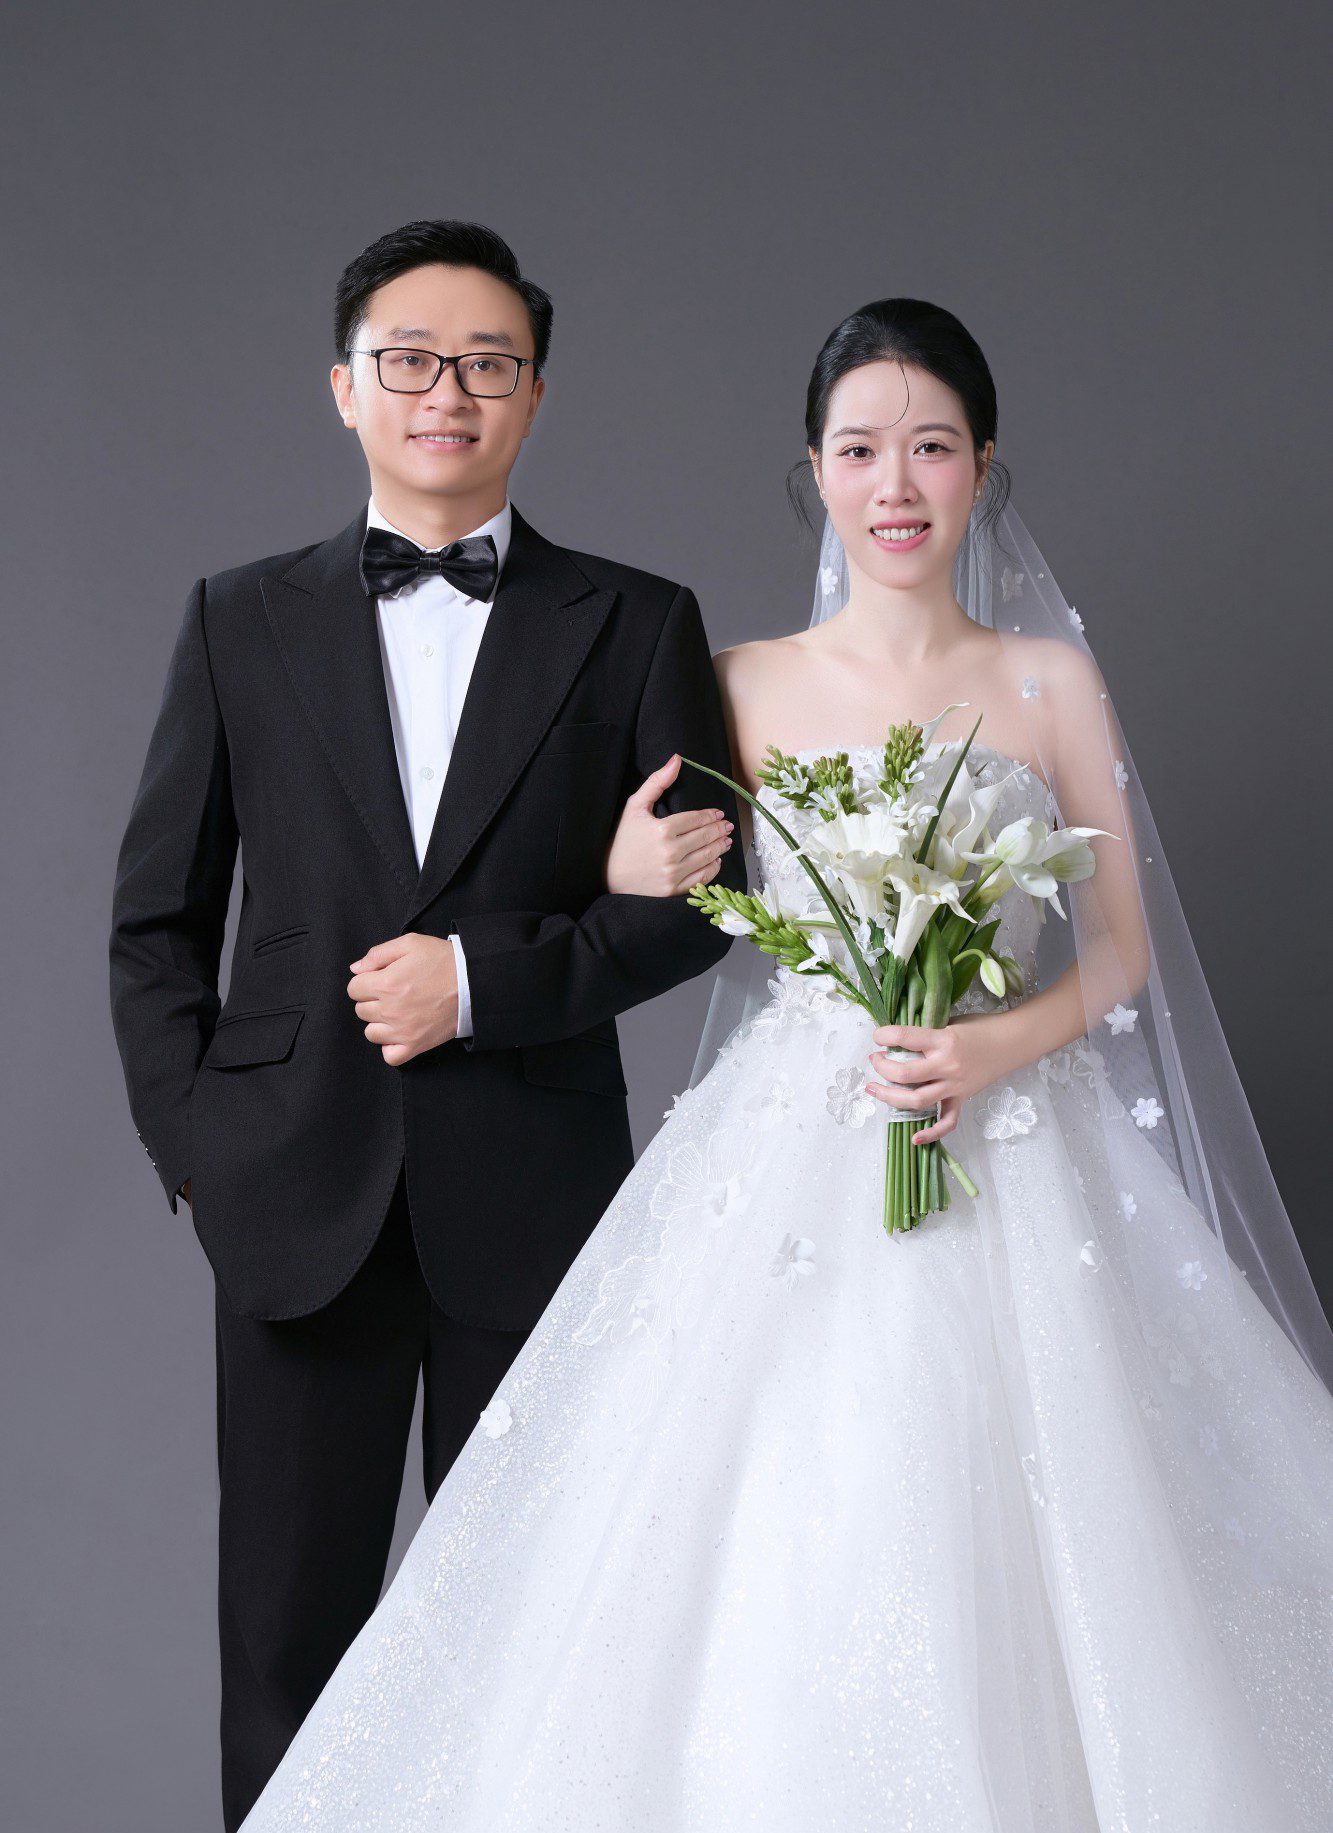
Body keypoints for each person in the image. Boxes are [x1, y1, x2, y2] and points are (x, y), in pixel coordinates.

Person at [236, 299, 1333, 1832]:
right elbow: (636, 896)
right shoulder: (735, 680)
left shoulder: (1046, 683)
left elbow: (1118, 953)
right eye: (859, 449)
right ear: (812, 472)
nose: (895, 483)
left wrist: (983, 1042)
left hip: (1012, 1130)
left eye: (930, 447)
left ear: (982, 465)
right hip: (792, 1137)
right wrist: (621, 863)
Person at [107, 218, 742, 1831]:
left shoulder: (637, 620)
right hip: (288, 1191)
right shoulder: (237, 617)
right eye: (409, 360)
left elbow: (707, 903)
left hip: (533, 1195)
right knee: (285, 1649)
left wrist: (480, 980)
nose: (446, 392)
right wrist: (201, 1152)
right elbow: (156, 920)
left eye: (486, 363)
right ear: (345, 387)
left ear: (534, 394)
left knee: (530, 1639)